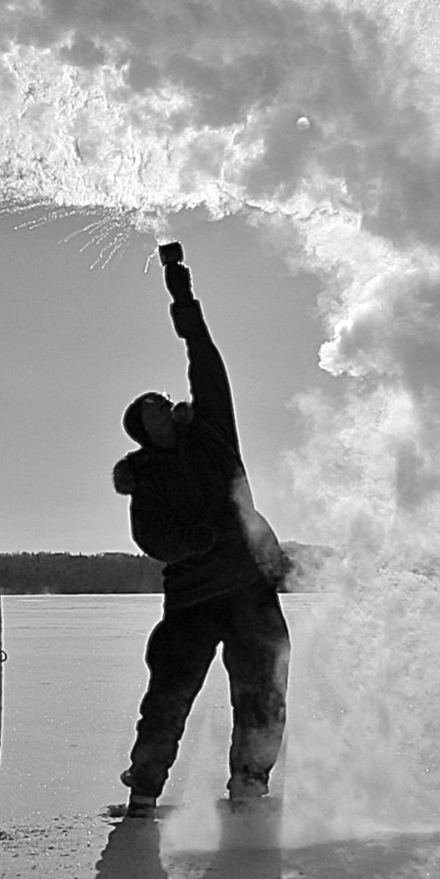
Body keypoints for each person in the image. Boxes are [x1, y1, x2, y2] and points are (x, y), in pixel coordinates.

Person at [110, 243, 290, 814]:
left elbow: (203, 356)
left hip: (248, 588)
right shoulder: (146, 477)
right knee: (168, 695)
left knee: (263, 692)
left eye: (164, 399)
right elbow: (150, 538)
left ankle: (250, 786)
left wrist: (180, 288)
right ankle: (144, 789)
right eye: (152, 407)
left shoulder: (213, 434)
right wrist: (193, 541)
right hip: (191, 599)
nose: (165, 404)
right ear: (143, 429)